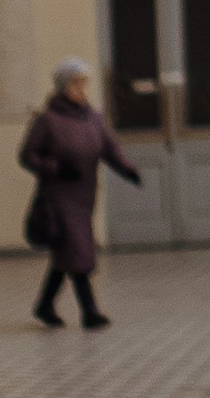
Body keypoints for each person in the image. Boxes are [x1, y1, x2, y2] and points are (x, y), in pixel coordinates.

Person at [18, 58, 139, 329]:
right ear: (63, 87)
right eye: (75, 83)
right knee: (78, 248)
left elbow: (110, 148)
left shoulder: (94, 118)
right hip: (58, 195)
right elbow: (27, 155)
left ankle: (45, 305)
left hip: (84, 195)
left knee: (67, 252)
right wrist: (55, 168)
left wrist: (128, 170)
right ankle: (90, 312)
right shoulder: (47, 121)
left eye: (84, 83)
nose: (81, 89)